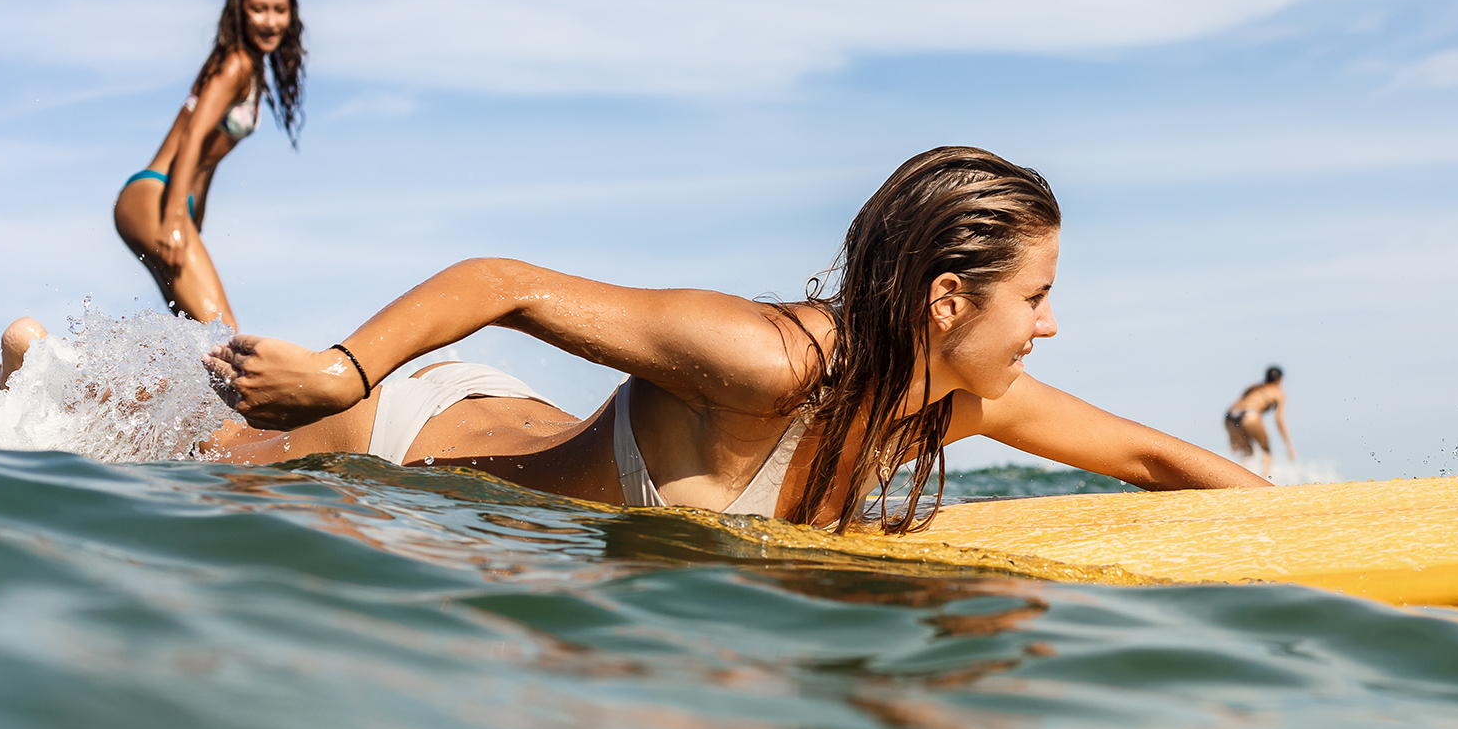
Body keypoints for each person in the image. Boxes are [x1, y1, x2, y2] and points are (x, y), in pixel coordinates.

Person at [203, 147, 1267, 532]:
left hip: (515, 433)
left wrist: (1316, 539)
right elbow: (506, 284)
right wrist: (342, 369)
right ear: (947, 303)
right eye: (1034, 295)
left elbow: (1149, 456)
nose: (1048, 322)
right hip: (393, 434)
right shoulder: (766, 362)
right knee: (145, 451)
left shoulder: (947, 403)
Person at [114, 0, 306, 328]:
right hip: (156, 196)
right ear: (239, 10)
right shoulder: (236, 64)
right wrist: (174, 218)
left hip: (172, 199)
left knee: (197, 339)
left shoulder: (247, 67)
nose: (270, 22)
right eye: (258, 9)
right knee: (223, 334)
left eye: (279, 10)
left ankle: (98, 381)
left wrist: (191, 215)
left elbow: (210, 158)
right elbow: (193, 137)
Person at [1224, 365, 1293, 480]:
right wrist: (1288, 446)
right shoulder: (1278, 394)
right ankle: (1264, 481)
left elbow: (1236, 405)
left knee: (1248, 452)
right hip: (1250, 415)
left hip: (1230, 417)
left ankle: (1231, 477)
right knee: (1266, 451)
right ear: (1280, 380)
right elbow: (1279, 420)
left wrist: (1231, 436)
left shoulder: (1252, 386)